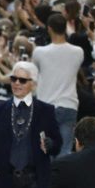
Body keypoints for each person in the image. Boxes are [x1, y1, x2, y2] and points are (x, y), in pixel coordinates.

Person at [32, 13, 85, 156]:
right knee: (65, 150)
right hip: (69, 105)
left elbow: (34, 72)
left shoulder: (39, 52)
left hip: (46, 106)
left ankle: (48, 178)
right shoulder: (78, 52)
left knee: (45, 150)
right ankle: (61, 178)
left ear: (49, 29)